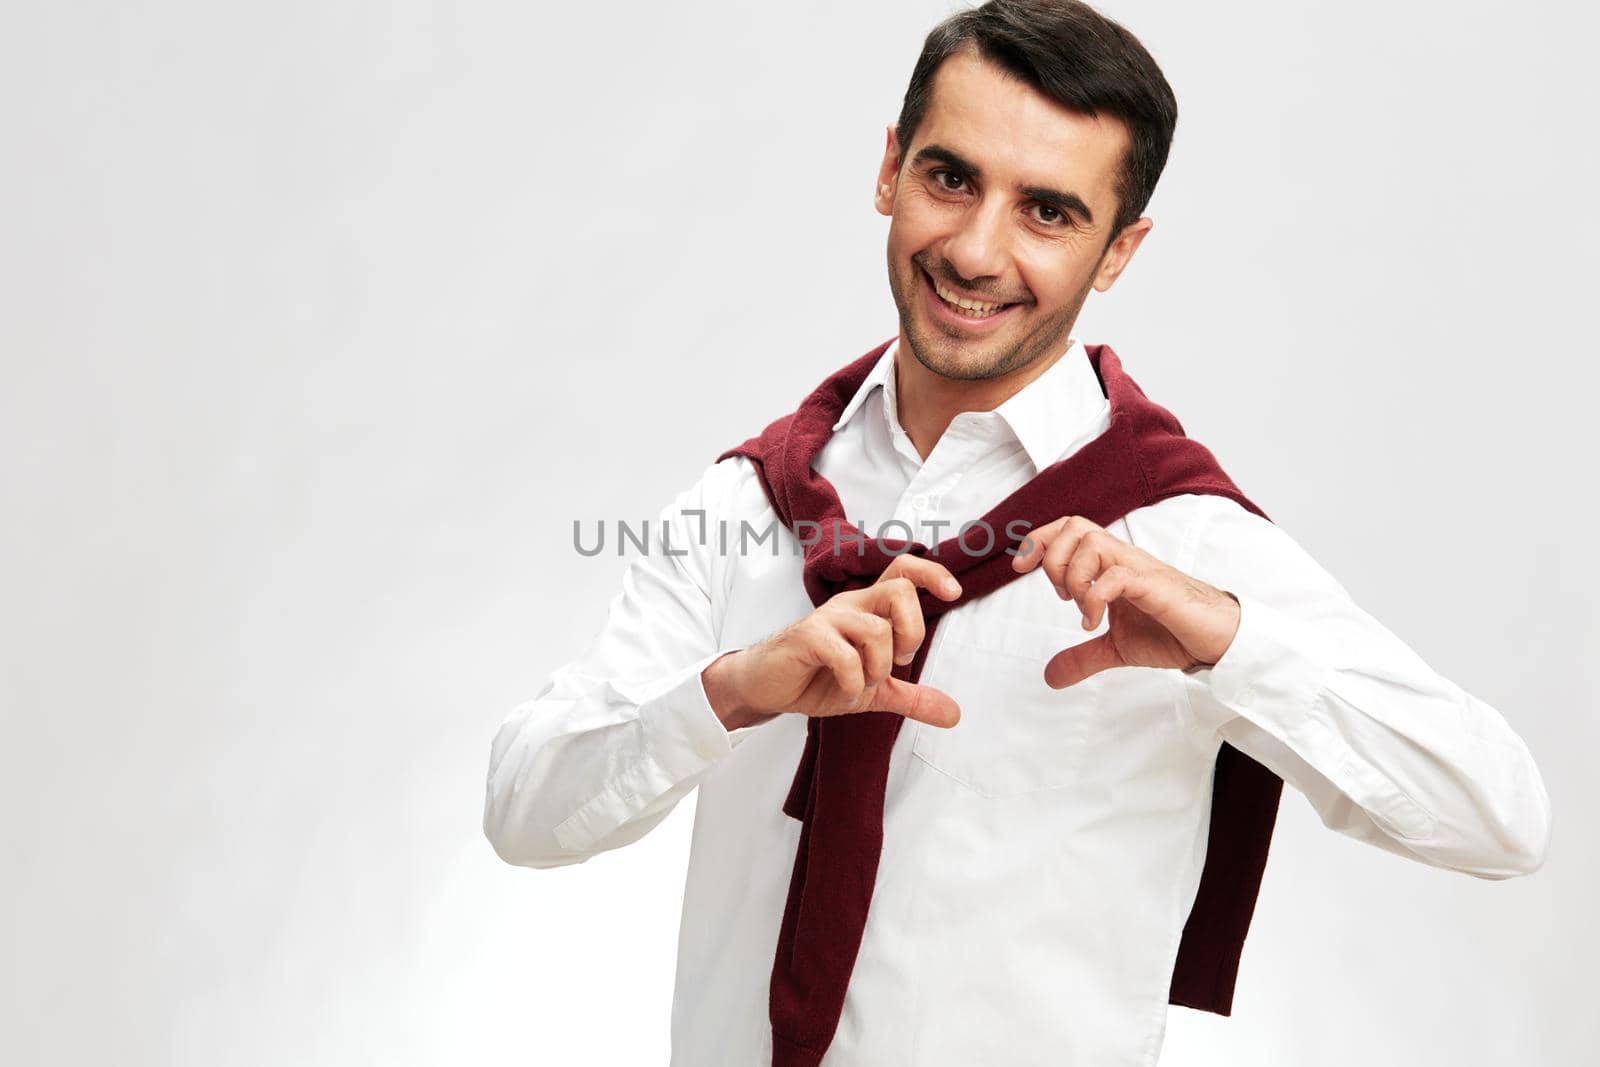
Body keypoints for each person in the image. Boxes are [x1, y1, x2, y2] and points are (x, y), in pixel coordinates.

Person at [482, 2, 1551, 1064]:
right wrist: (729, 690)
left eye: (1048, 211)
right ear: (889, 170)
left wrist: (1232, 644)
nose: (978, 250)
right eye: (951, 178)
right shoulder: (747, 503)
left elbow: (1498, 816)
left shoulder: (1175, 535)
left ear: (1120, 250)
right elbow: (526, 810)